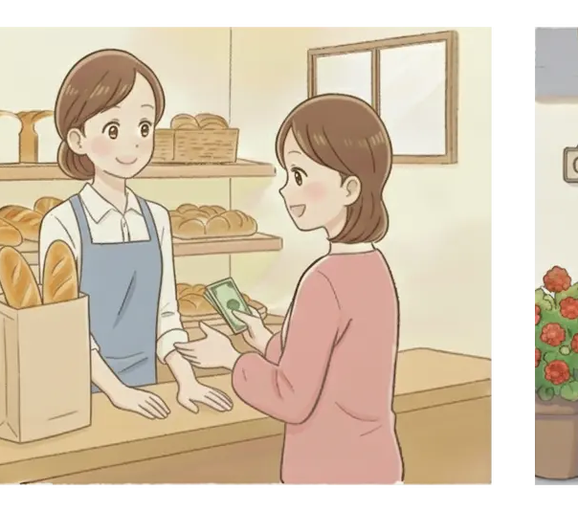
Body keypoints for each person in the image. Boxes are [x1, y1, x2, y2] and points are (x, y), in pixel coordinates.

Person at [174, 94, 404, 485]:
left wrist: (231, 359)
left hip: (327, 470)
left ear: (349, 189)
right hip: (377, 463)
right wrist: (264, 339)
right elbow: (327, 364)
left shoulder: (324, 281)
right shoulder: (375, 269)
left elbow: (291, 398)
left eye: (298, 176)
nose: (285, 190)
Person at [38, 49, 233, 420]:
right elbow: (66, 331)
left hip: (147, 386)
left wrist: (186, 380)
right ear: (78, 139)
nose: (133, 143)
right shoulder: (62, 223)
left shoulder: (156, 218)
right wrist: (117, 392)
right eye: (113, 129)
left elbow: (166, 317)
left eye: (144, 128)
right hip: (80, 397)